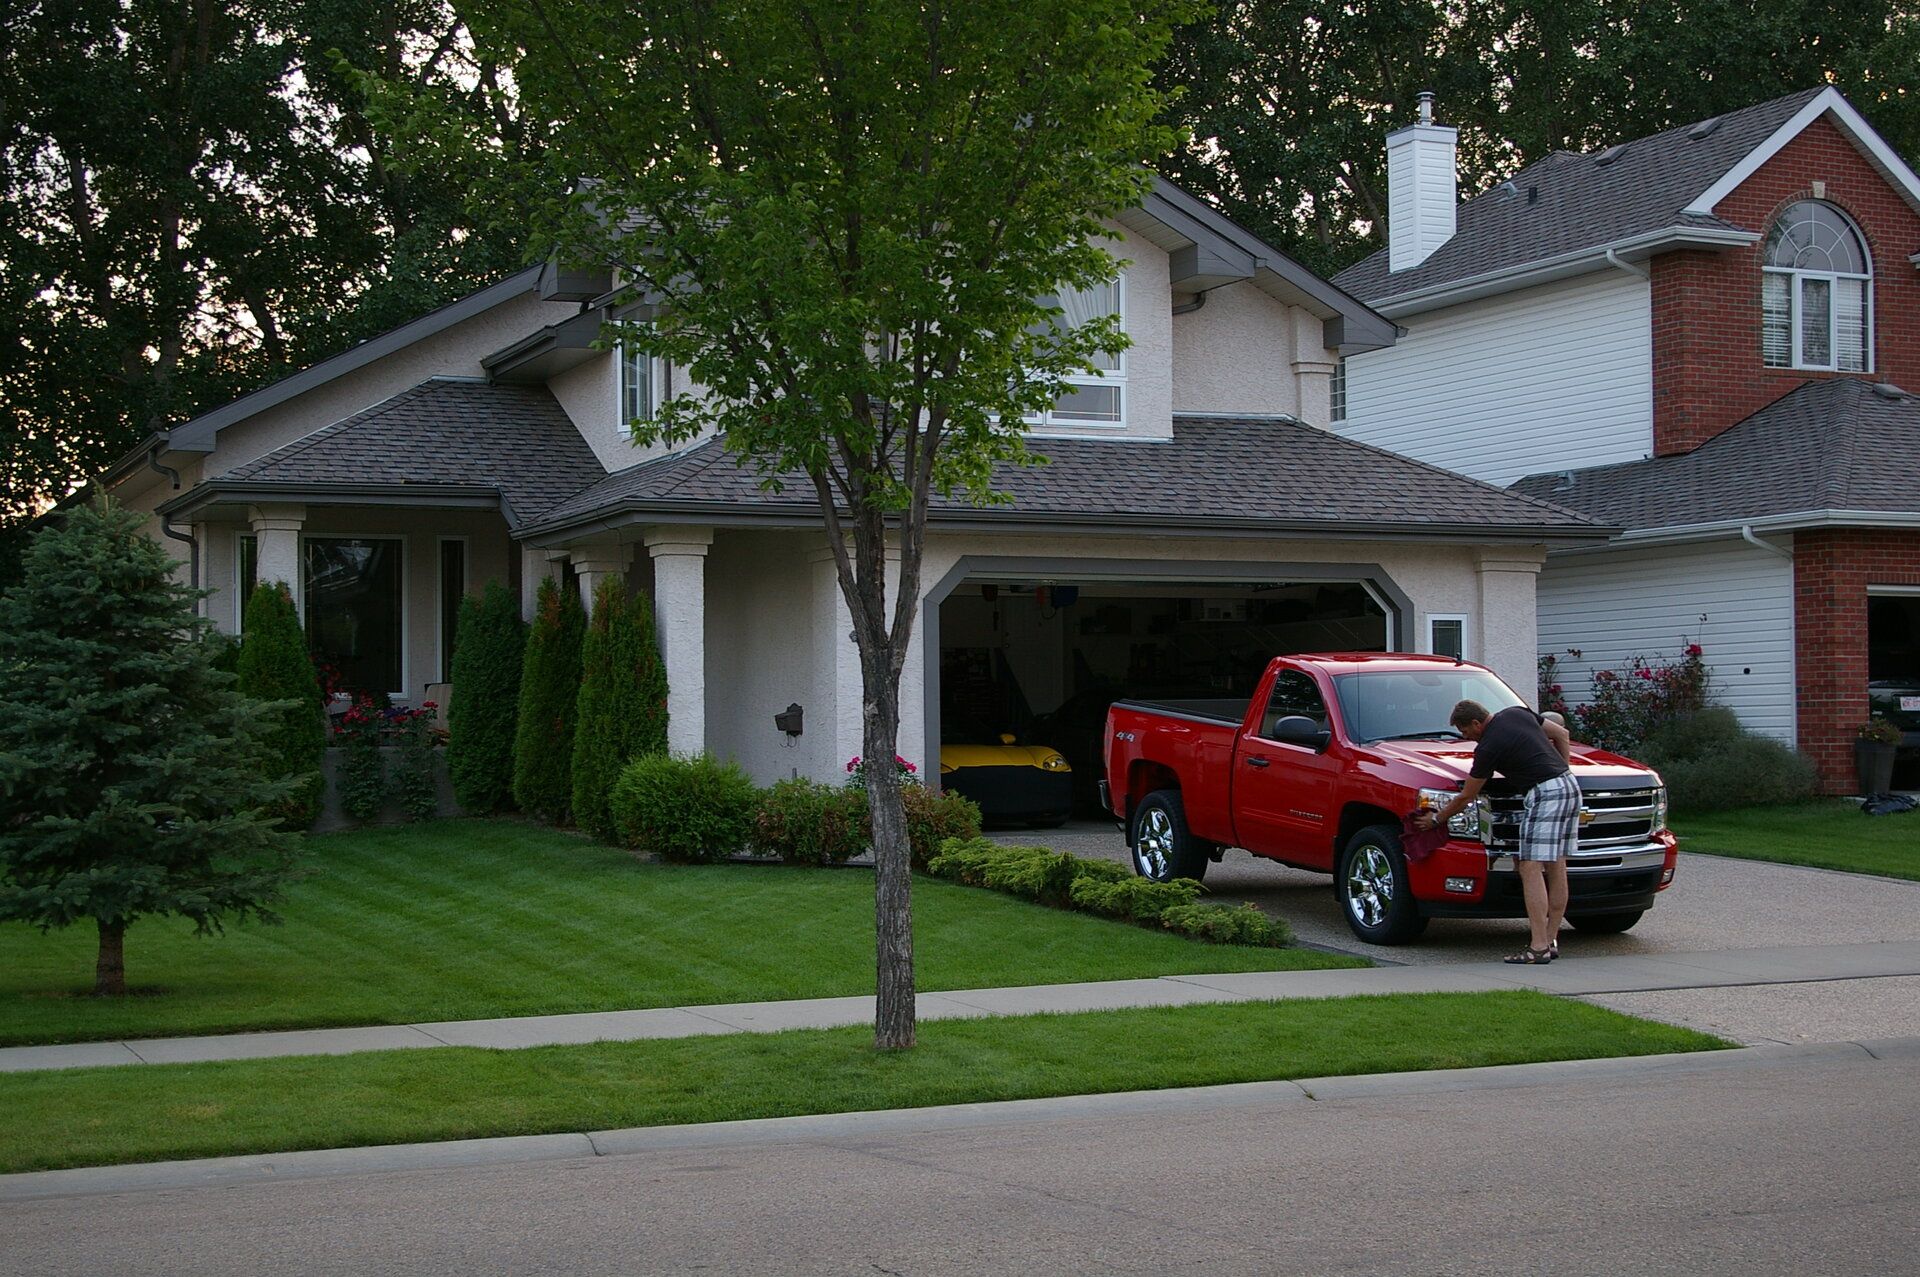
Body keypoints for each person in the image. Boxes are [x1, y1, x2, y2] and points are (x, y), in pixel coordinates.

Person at [1415, 699, 1577, 964]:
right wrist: (1563, 768)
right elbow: (1561, 733)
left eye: (1465, 731)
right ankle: (1549, 940)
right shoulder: (1516, 713)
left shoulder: (1489, 746)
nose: (1466, 737)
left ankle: (1537, 948)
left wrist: (1437, 819)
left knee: (1529, 867)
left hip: (1545, 794)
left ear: (1477, 724)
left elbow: (1466, 796)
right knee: (1557, 864)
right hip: (1569, 786)